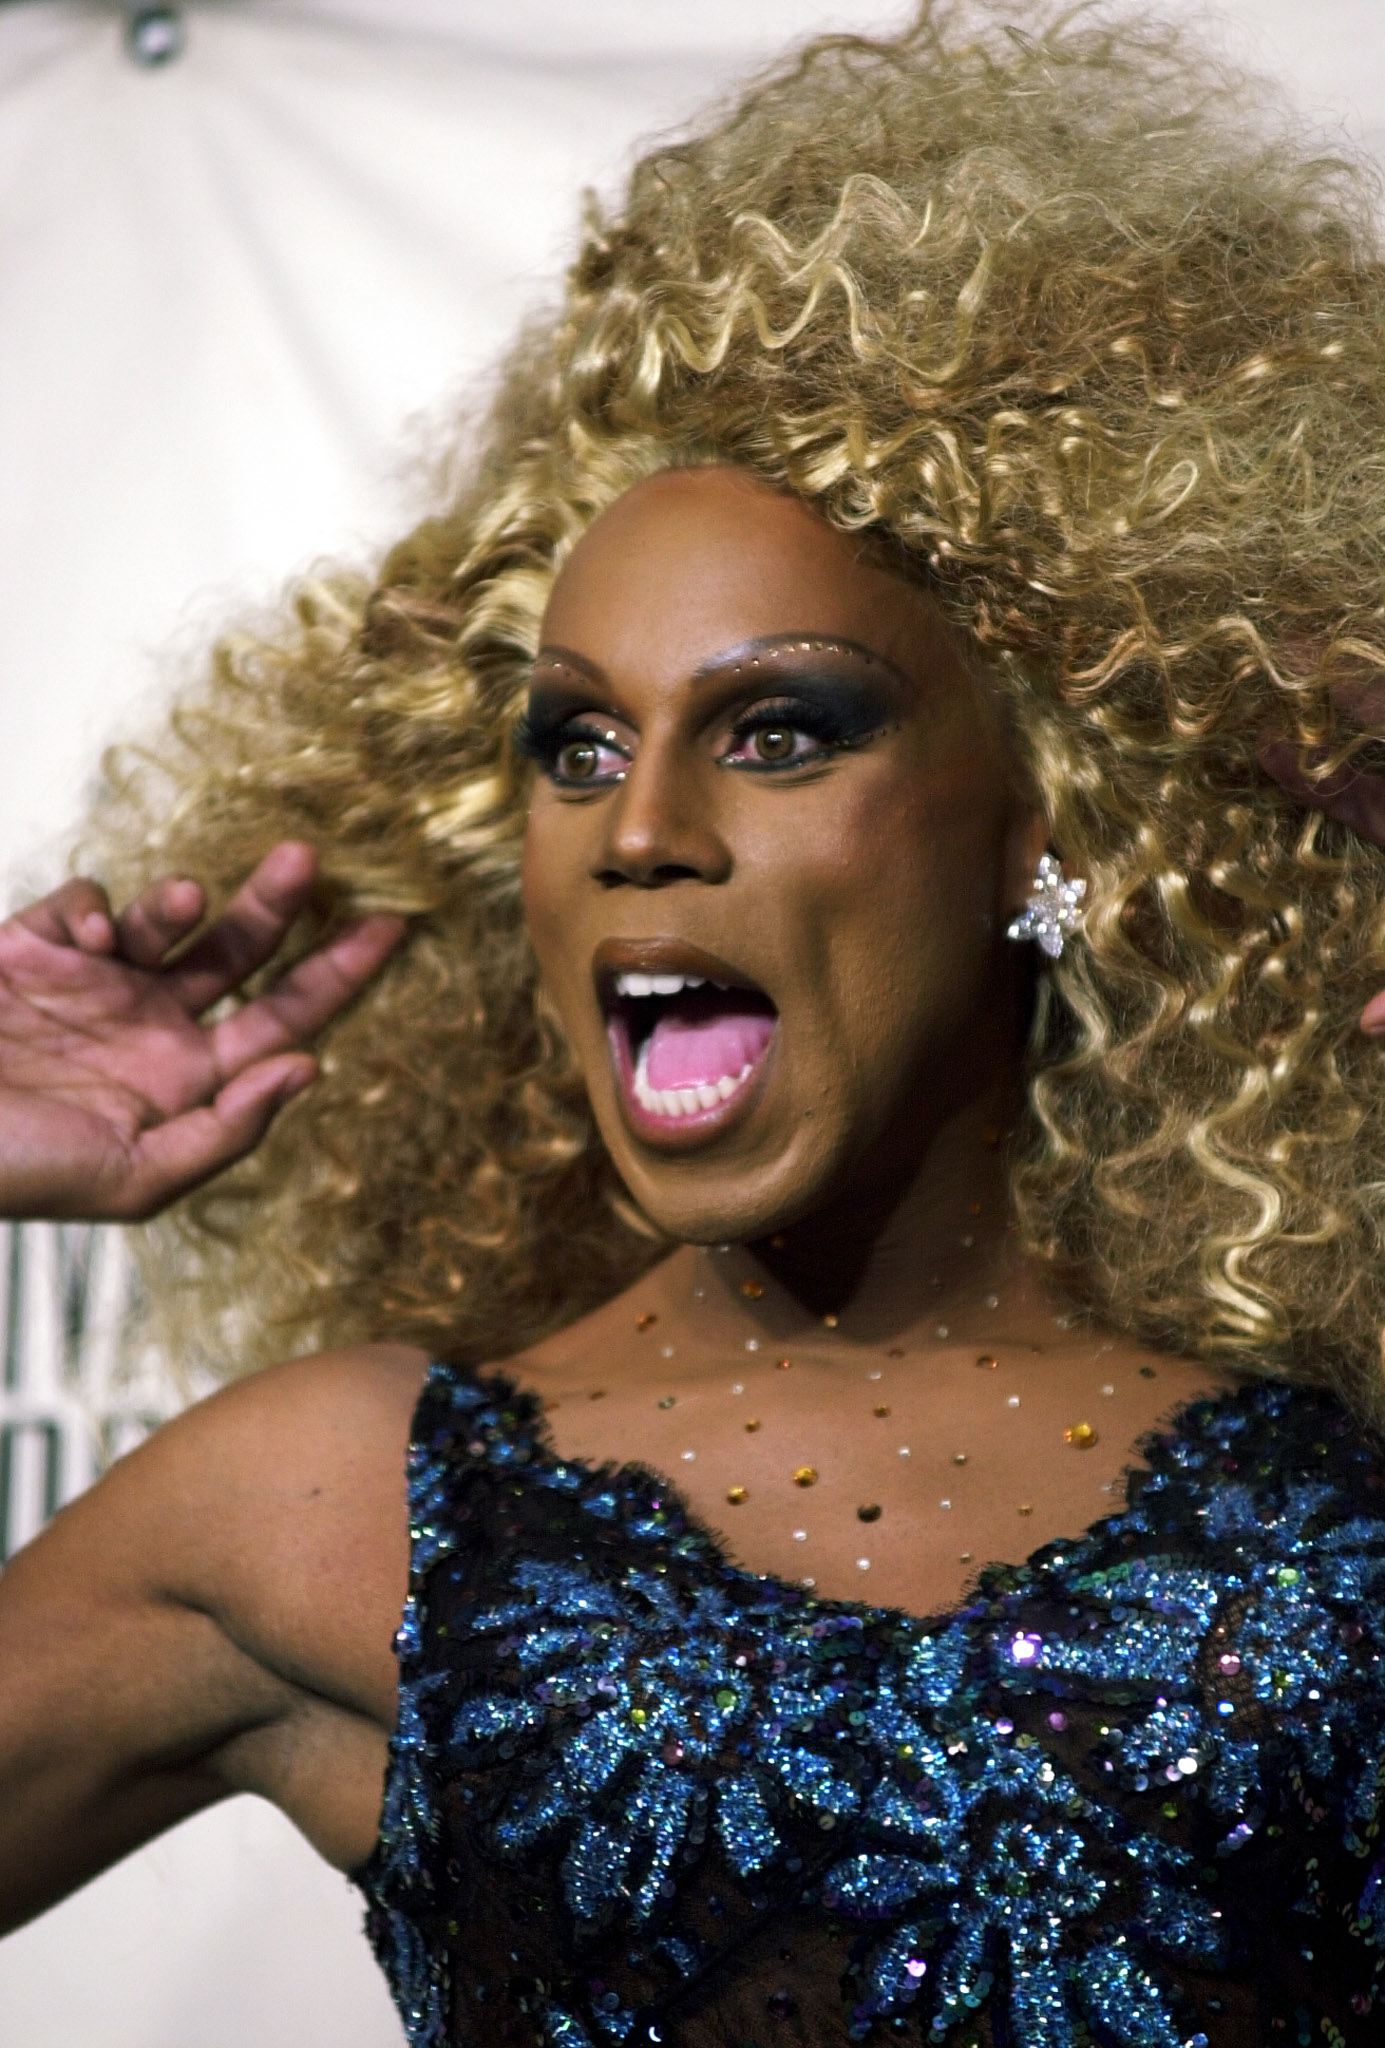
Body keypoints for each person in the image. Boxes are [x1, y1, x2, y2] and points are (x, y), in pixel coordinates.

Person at [5, 3, 1385, 2041]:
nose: (642, 829)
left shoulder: (1340, 1460)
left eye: (778, 728)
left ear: (1050, 815)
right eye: (575, 745)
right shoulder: (339, 1505)